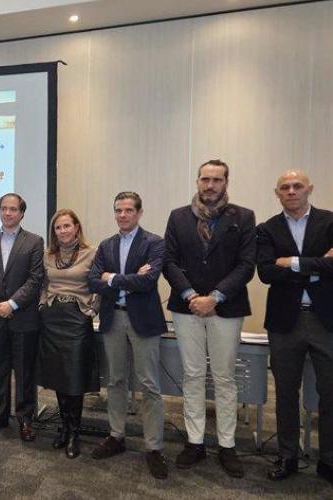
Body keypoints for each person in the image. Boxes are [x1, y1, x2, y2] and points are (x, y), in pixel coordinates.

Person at [163, 159, 255, 478]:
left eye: (217, 179)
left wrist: (215, 297)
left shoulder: (243, 217)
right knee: (192, 375)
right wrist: (191, 296)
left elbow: (246, 265)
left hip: (225, 308)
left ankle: (227, 445)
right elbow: (169, 261)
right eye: (205, 179)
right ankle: (195, 441)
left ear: (226, 182)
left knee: (224, 377)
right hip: (186, 306)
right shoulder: (178, 216)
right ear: (198, 181)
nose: (210, 185)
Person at [256, 170, 333, 483]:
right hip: (284, 322)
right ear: (277, 193)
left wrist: (292, 262)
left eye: (297, 186)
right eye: (284, 187)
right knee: (286, 392)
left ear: (309, 189)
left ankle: (328, 460)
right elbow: (266, 272)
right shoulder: (267, 229)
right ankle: (287, 456)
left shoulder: (330, 222)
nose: (291, 191)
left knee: (330, 392)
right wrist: (319, 265)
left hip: (326, 320)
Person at [88, 192, 168, 478]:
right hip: (113, 318)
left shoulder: (154, 243)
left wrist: (111, 278)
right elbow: (92, 282)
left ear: (139, 212)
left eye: (128, 210)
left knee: (149, 384)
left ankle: (154, 447)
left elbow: (149, 281)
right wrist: (127, 278)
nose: (122, 215)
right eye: (118, 210)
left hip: (143, 320)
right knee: (116, 380)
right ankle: (116, 435)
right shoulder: (106, 245)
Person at [0, 193, 44, 442]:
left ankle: (25, 418)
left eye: (13, 209)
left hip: (23, 316)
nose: (7, 213)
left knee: (25, 371)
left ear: (22, 213)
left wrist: (12, 304)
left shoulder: (34, 241)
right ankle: (0, 414)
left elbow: (35, 279)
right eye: (4, 208)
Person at [38, 208, 99, 458]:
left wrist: (93, 310)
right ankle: (64, 428)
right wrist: (42, 305)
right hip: (52, 318)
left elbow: (100, 285)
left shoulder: (91, 253)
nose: (62, 231)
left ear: (76, 227)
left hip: (76, 318)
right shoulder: (48, 255)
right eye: (58, 227)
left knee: (74, 377)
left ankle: (75, 433)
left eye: (67, 226)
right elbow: (43, 284)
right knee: (59, 375)